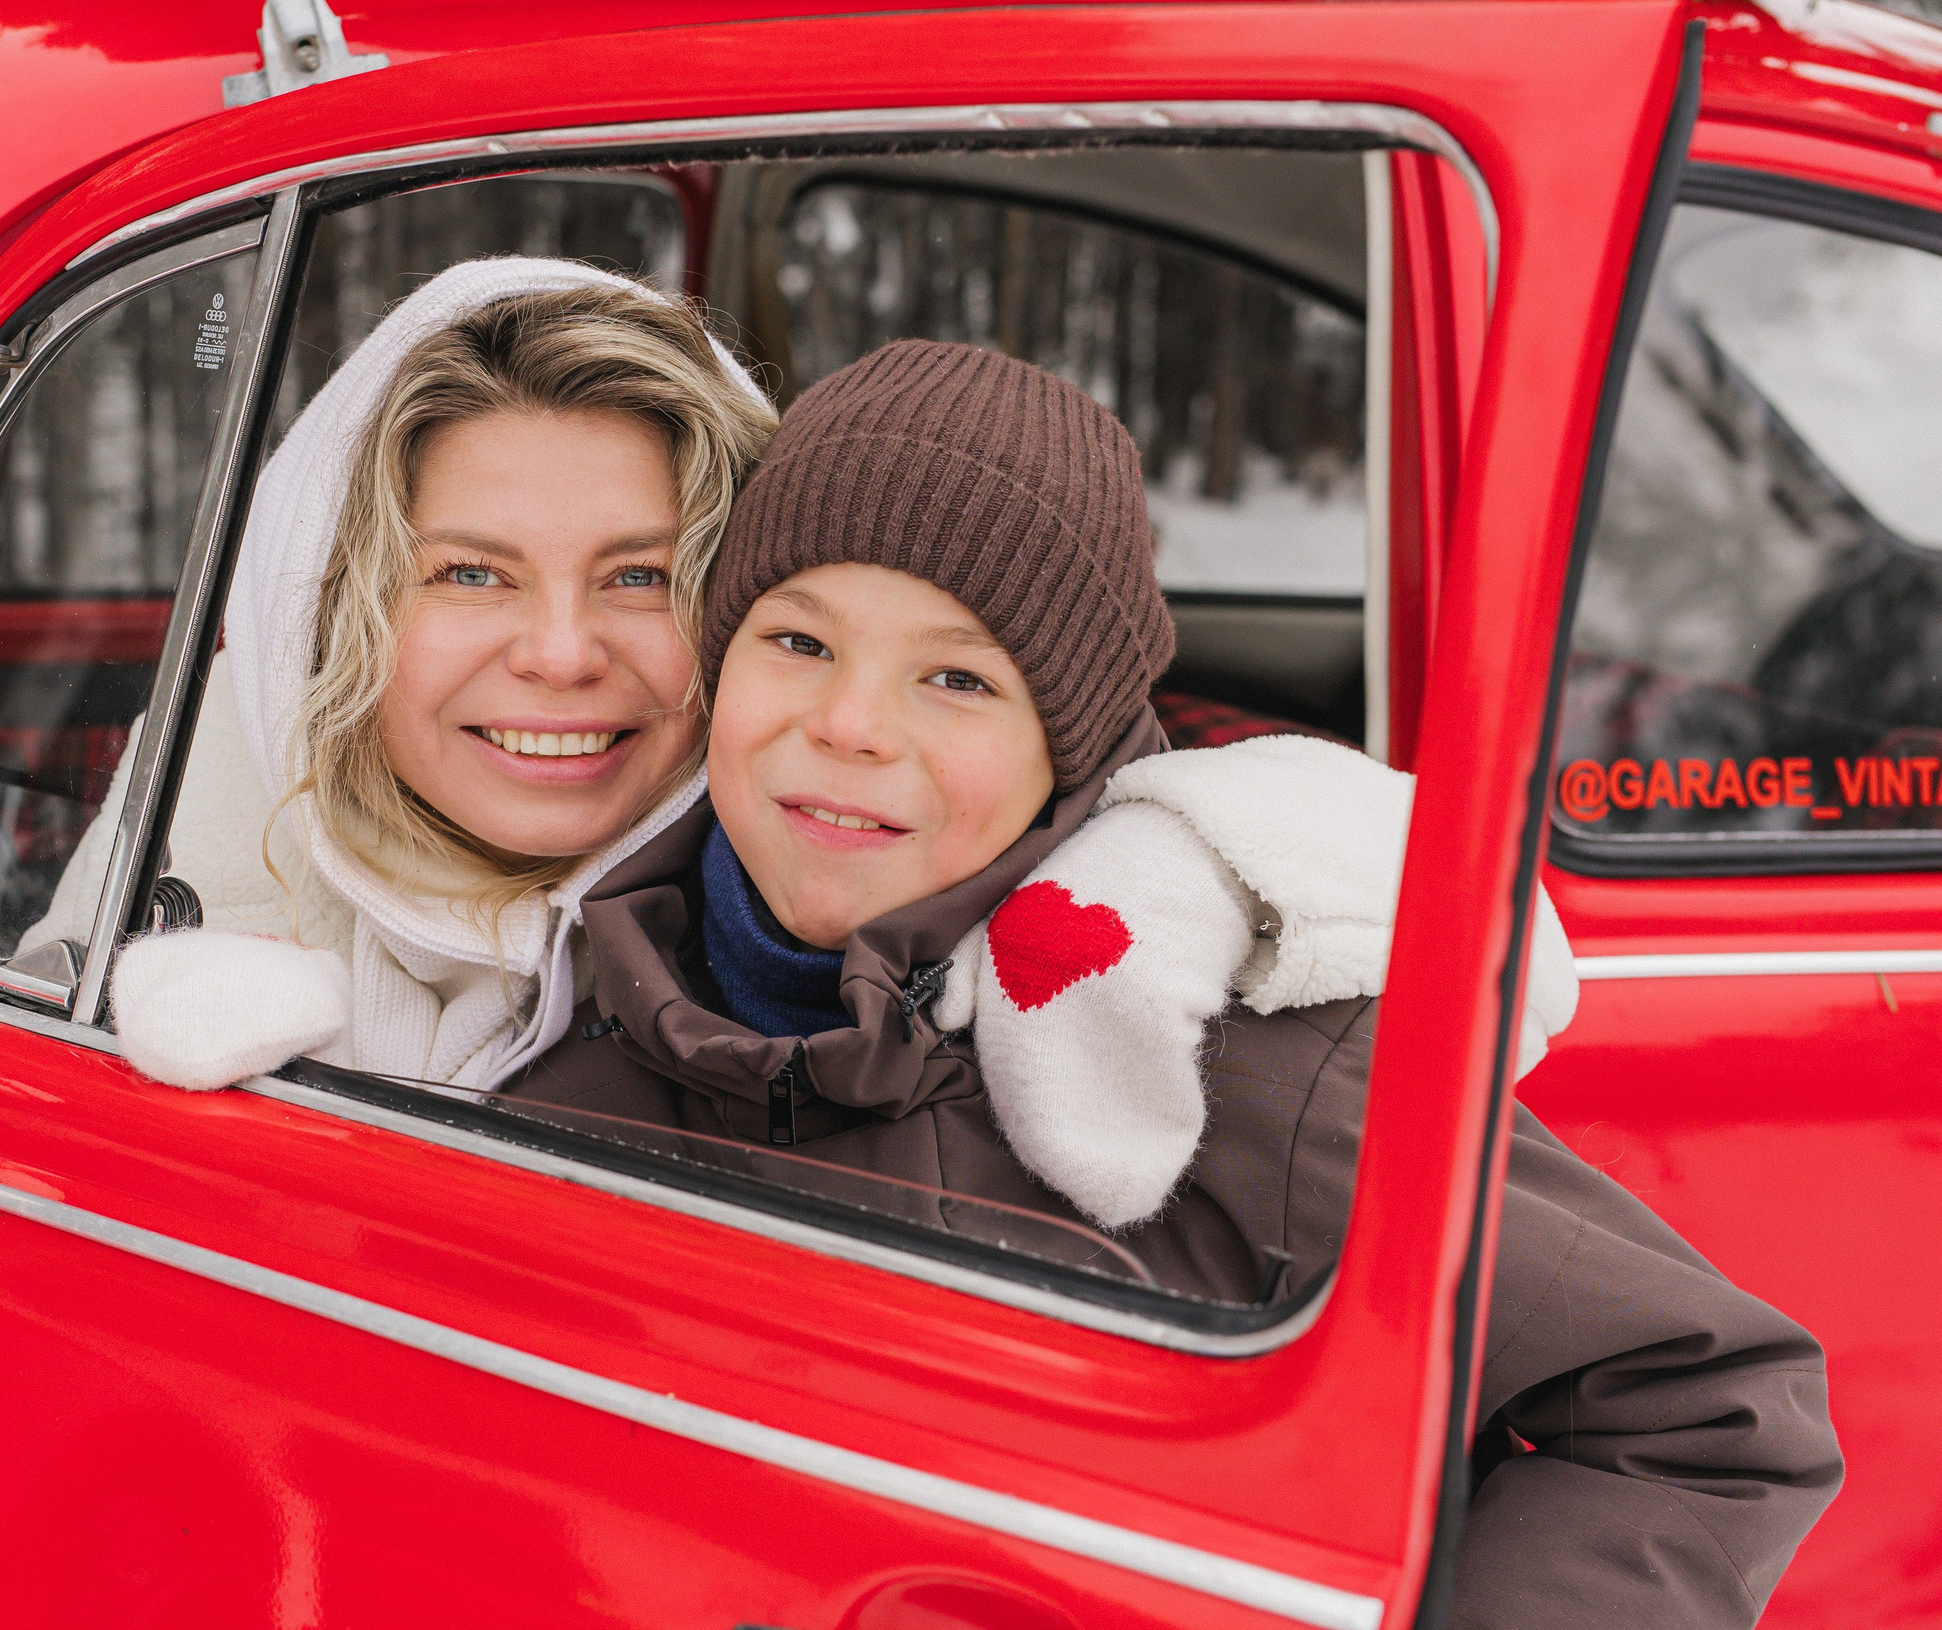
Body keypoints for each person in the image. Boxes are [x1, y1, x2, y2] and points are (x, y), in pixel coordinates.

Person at [504, 340, 1843, 1629]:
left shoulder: (1234, 1051)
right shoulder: (557, 1040)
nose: (850, 723)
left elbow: (1705, 1411)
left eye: (958, 676)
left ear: (1068, 751)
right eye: (798, 642)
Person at [23, 260, 776, 1087]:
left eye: (641, 576)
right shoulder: (188, 805)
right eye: (472, 574)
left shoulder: (814, 907)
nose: (563, 656)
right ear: (341, 603)